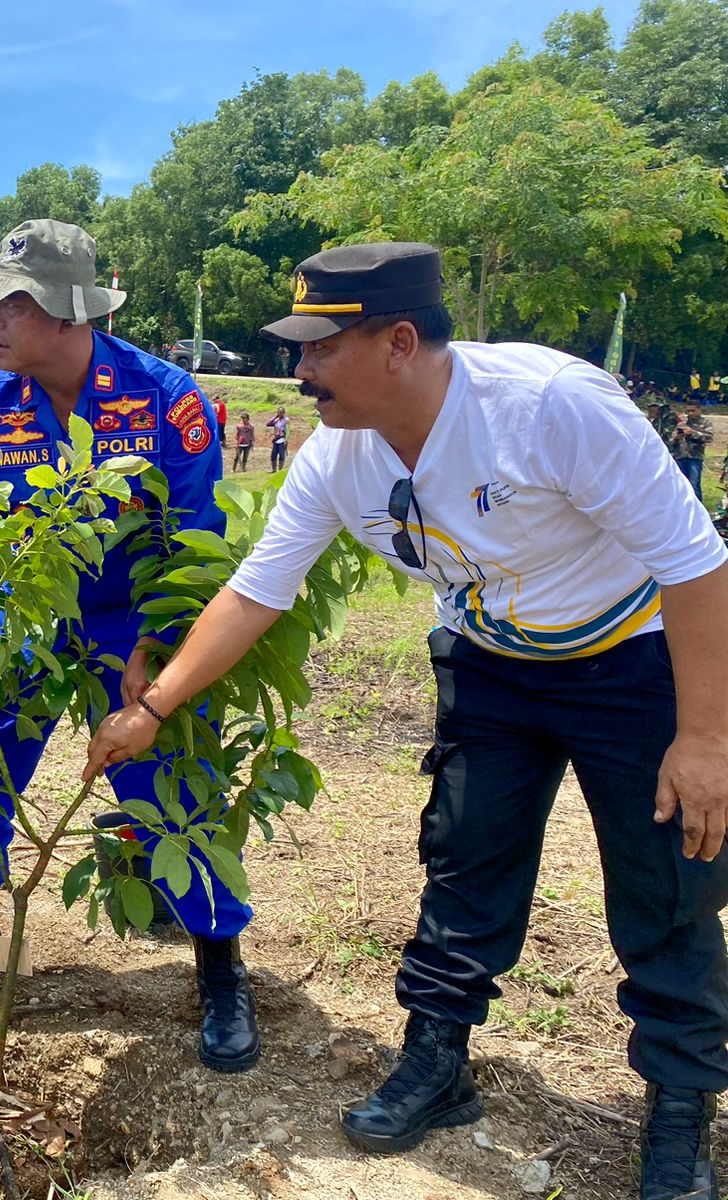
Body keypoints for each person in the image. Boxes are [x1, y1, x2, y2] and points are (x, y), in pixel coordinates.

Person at [84, 242, 728, 1200]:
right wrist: (154, 706)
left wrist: (706, 738)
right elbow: (260, 589)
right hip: (490, 665)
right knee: (464, 858)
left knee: (664, 881)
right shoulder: (339, 456)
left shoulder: (550, 409)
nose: (297, 373)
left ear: (396, 342)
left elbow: (694, 561)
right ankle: (439, 1063)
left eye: (316, 348)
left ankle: (680, 1111)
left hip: (630, 662)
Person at [0, 219, 260, 1073]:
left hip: (132, 621)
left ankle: (220, 972)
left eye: (12, 305)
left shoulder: (167, 398)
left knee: (167, 780)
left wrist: (159, 647)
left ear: (64, 313)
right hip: (23, 621)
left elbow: (192, 535)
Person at [673, 405, 713, 500]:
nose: (690, 413)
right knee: (680, 485)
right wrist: (676, 437)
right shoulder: (682, 423)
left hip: (695, 457)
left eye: (693, 410)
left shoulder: (705, 423)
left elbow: (709, 437)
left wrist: (693, 433)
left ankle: (698, 510)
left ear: (699, 410)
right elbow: (672, 440)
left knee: (694, 484)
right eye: (688, 411)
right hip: (680, 456)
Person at [266, 406, 289, 471]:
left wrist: (286, 440)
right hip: (276, 439)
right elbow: (268, 424)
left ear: (284, 413)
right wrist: (275, 417)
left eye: (281, 412)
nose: (280, 413)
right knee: (273, 455)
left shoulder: (286, 420)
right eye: (278, 412)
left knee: (281, 456)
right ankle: (274, 470)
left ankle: (280, 469)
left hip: (282, 439)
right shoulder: (276, 420)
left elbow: (288, 430)